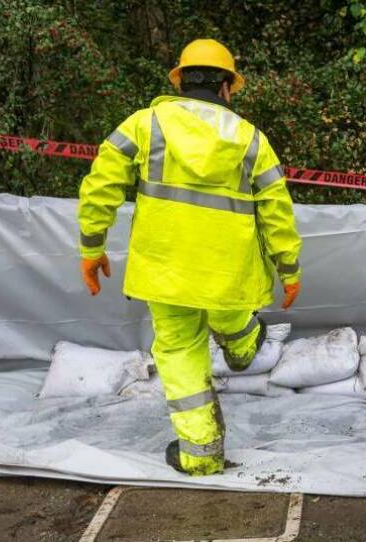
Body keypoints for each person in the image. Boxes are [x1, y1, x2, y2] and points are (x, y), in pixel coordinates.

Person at [77, 39, 302, 476]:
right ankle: (241, 343)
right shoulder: (251, 139)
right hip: (228, 270)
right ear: (227, 88)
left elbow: (99, 184)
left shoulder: (144, 125)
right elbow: (277, 209)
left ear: (179, 80)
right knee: (229, 308)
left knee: (180, 350)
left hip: (165, 268)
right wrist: (289, 269)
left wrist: (91, 249)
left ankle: (201, 454)